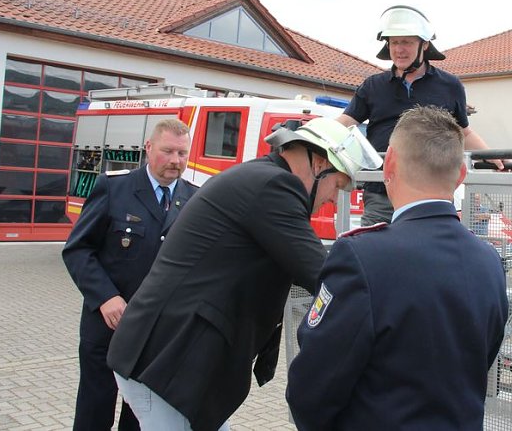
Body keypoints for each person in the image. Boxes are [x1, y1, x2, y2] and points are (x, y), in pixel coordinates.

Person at [107, 117, 381, 431]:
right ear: (319, 163)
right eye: (338, 185)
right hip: (168, 360)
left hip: (170, 357)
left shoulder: (261, 176)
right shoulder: (275, 186)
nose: (333, 198)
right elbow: (322, 273)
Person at [287, 105, 508, 430]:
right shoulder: (489, 260)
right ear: (461, 173)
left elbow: (312, 387)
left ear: (389, 163)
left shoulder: (361, 256)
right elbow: (481, 360)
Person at [62, 118, 196, 431]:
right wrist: (105, 297)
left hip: (157, 332)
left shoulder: (195, 199)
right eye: (168, 151)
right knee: (95, 409)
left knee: (141, 415)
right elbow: (78, 249)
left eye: (182, 153)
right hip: (107, 324)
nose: (175, 161)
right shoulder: (114, 187)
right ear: (149, 147)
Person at [337, 4, 502, 226]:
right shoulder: (373, 86)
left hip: (433, 193)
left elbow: (463, 131)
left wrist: (495, 157)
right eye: (394, 42)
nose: (399, 49)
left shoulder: (449, 85)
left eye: (407, 42)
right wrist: (311, 136)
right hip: (382, 192)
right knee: (376, 254)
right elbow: (344, 123)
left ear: (424, 45)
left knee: (429, 256)